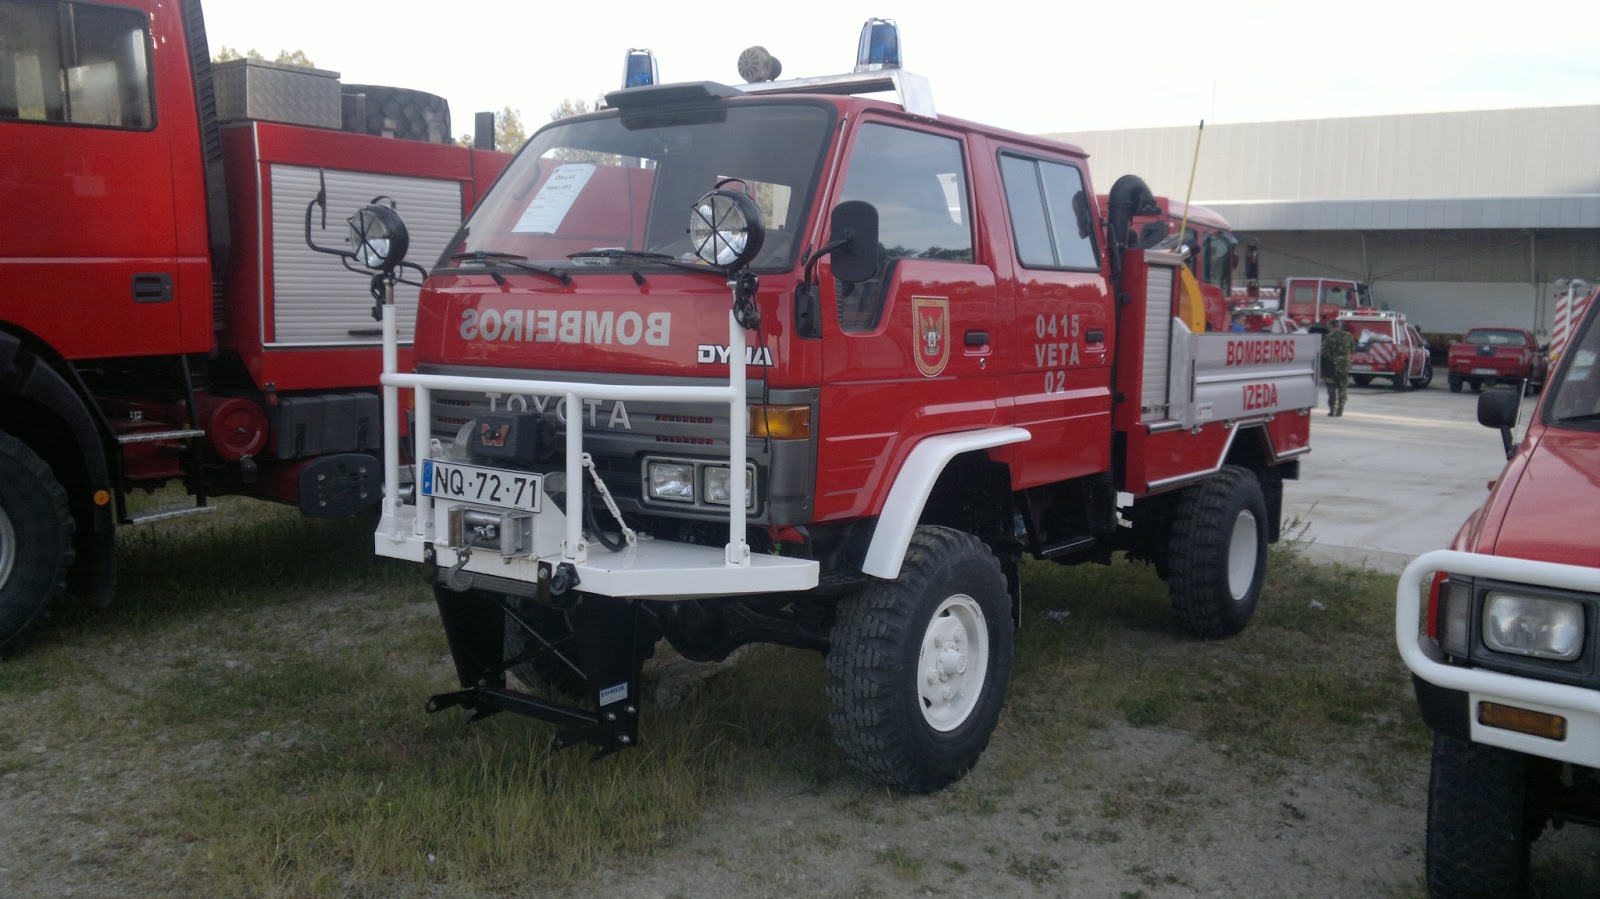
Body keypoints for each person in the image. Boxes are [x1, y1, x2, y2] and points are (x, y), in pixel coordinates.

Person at [1315, 320, 1353, 416]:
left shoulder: (1329, 337)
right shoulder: (1348, 336)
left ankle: (1332, 409)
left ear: (1331, 326)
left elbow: (1324, 352)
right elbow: (1352, 349)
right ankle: (1341, 408)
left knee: (1331, 388)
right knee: (1342, 387)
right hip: (1344, 365)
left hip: (1331, 365)